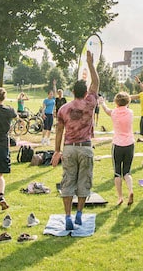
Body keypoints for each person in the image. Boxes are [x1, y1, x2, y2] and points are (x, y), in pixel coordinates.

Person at [51, 49, 99, 231]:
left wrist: (57, 151)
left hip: (69, 148)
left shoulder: (64, 108)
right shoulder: (90, 103)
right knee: (84, 182)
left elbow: (58, 131)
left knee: (68, 182)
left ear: (72, 92)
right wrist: (91, 64)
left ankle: (67, 216)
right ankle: (79, 213)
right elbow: (96, 82)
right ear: (86, 92)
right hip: (86, 147)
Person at [101, 92, 135, 205]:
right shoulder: (130, 112)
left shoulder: (114, 112)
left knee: (117, 172)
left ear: (116, 102)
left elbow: (107, 110)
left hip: (118, 144)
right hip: (129, 144)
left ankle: (120, 197)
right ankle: (130, 190)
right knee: (127, 172)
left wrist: (102, 103)